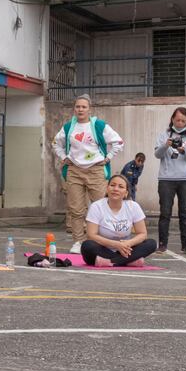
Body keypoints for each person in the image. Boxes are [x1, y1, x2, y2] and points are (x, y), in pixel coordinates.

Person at [52, 95, 124, 253]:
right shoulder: (68, 127)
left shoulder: (99, 125)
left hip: (96, 170)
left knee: (102, 206)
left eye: (83, 107)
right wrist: (64, 158)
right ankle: (78, 241)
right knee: (76, 209)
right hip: (74, 171)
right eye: (77, 107)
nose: (80, 110)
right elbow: (56, 143)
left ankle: (105, 240)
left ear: (89, 109)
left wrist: (108, 157)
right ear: (74, 109)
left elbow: (118, 142)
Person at [80, 174, 158, 267]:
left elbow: (142, 234)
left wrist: (128, 243)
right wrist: (116, 245)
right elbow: (91, 235)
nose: (115, 189)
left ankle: (111, 262)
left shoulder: (133, 206)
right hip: (103, 249)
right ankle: (128, 261)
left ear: (126, 193)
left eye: (121, 187)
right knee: (87, 246)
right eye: (112, 185)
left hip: (126, 248)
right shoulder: (96, 206)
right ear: (107, 188)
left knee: (151, 243)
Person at [155, 107, 186, 254]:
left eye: (183, 120)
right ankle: (162, 244)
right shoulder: (164, 135)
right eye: (177, 119)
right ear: (172, 120)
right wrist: (166, 145)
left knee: (185, 213)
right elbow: (157, 154)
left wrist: (184, 150)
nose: (180, 122)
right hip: (166, 179)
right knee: (165, 213)